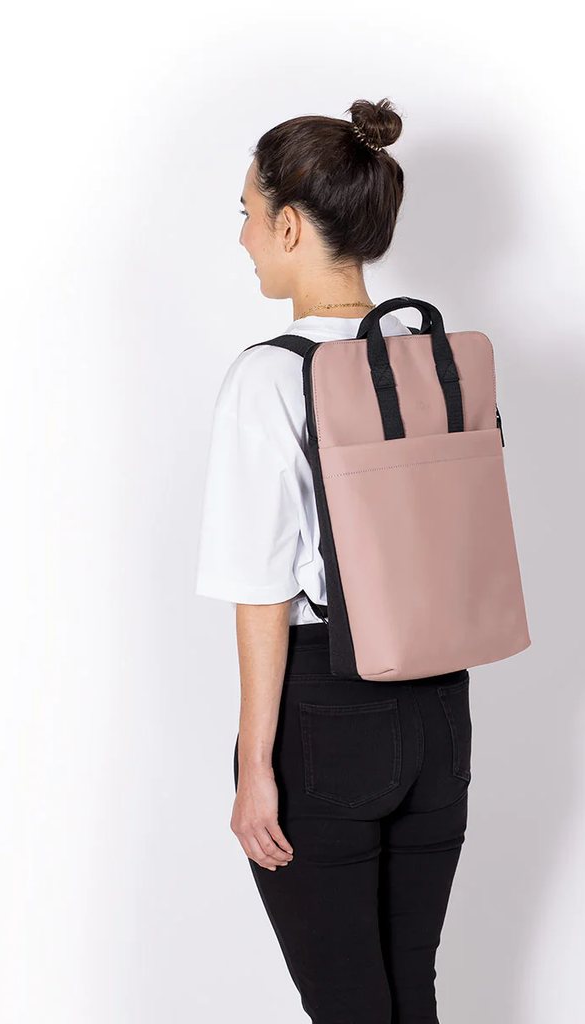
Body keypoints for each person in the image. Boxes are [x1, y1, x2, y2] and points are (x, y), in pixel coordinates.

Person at [194, 97, 473, 1024]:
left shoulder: (270, 375)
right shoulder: (426, 355)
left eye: (246, 214)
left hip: (325, 712)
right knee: (409, 996)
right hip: (441, 711)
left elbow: (262, 591)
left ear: (288, 225)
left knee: (350, 1007)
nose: (242, 238)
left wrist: (255, 767)